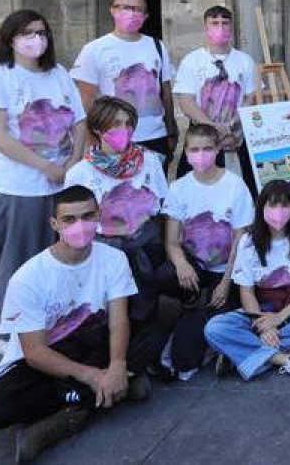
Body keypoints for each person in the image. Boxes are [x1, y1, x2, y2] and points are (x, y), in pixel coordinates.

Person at [0, 185, 150, 462]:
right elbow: (34, 352)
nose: (80, 226)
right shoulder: (28, 278)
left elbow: (119, 320)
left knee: (150, 330)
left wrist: (117, 364)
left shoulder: (114, 259)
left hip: (92, 342)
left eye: (87, 216)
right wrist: (94, 376)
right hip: (47, 358)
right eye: (69, 219)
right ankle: (104, 396)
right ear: (54, 224)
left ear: (98, 216)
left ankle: (80, 404)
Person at [0, 9, 87, 315]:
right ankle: (14, 329)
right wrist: (46, 167)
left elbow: (79, 122)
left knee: (59, 259)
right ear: (10, 39)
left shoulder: (59, 73)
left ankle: (55, 321)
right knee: (18, 263)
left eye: (41, 32)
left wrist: (71, 165)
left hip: (60, 185)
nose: (36, 39)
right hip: (19, 190)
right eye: (26, 33)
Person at [63, 97, 171, 375]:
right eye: (115, 124)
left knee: (145, 301)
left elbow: (162, 204)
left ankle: (146, 356)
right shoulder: (80, 173)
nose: (123, 130)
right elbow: (73, 220)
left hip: (144, 242)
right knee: (110, 308)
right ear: (98, 129)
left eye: (127, 124)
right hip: (104, 246)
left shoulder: (149, 161)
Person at [155, 124, 255, 381]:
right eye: (194, 149)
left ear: (218, 149)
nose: (201, 155)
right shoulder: (178, 188)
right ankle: (190, 302)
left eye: (207, 149)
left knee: (191, 350)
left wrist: (225, 283)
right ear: (186, 152)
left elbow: (240, 241)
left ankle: (202, 323)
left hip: (227, 271)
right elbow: (172, 241)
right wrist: (181, 263)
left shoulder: (235, 186)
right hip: (195, 269)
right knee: (167, 273)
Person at [204, 180, 290, 380]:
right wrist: (262, 323)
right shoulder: (248, 241)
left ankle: (241, 354)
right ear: (261, 207)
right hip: (263, 310)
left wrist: (279, 319)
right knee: (215, 328)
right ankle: (287, 359)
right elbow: (246, 291)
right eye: (272, 205)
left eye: (284, 205)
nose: (278, 211)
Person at [71, 0, 177, 163]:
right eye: (125, 7)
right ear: (113, 10)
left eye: (137, 9)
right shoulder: (94, 50)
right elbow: (87, 102)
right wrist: (91, 141)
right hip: (113, 138)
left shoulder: (156, 46)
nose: (131, 13)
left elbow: (165, 92)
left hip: (154, 136)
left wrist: (171, 129)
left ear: (145, 16)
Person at [172, 5, 258, 197]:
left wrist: (233, 123)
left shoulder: (245, 61)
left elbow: (251, 96)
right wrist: (212, 126)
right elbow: (186, 101)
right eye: (215, 23)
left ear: (231, 26)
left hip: (236, 138)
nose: (220, 27)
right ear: (206, 26)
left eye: (225, 23)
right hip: (203, 138)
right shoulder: (192, 61)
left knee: (241, 191)